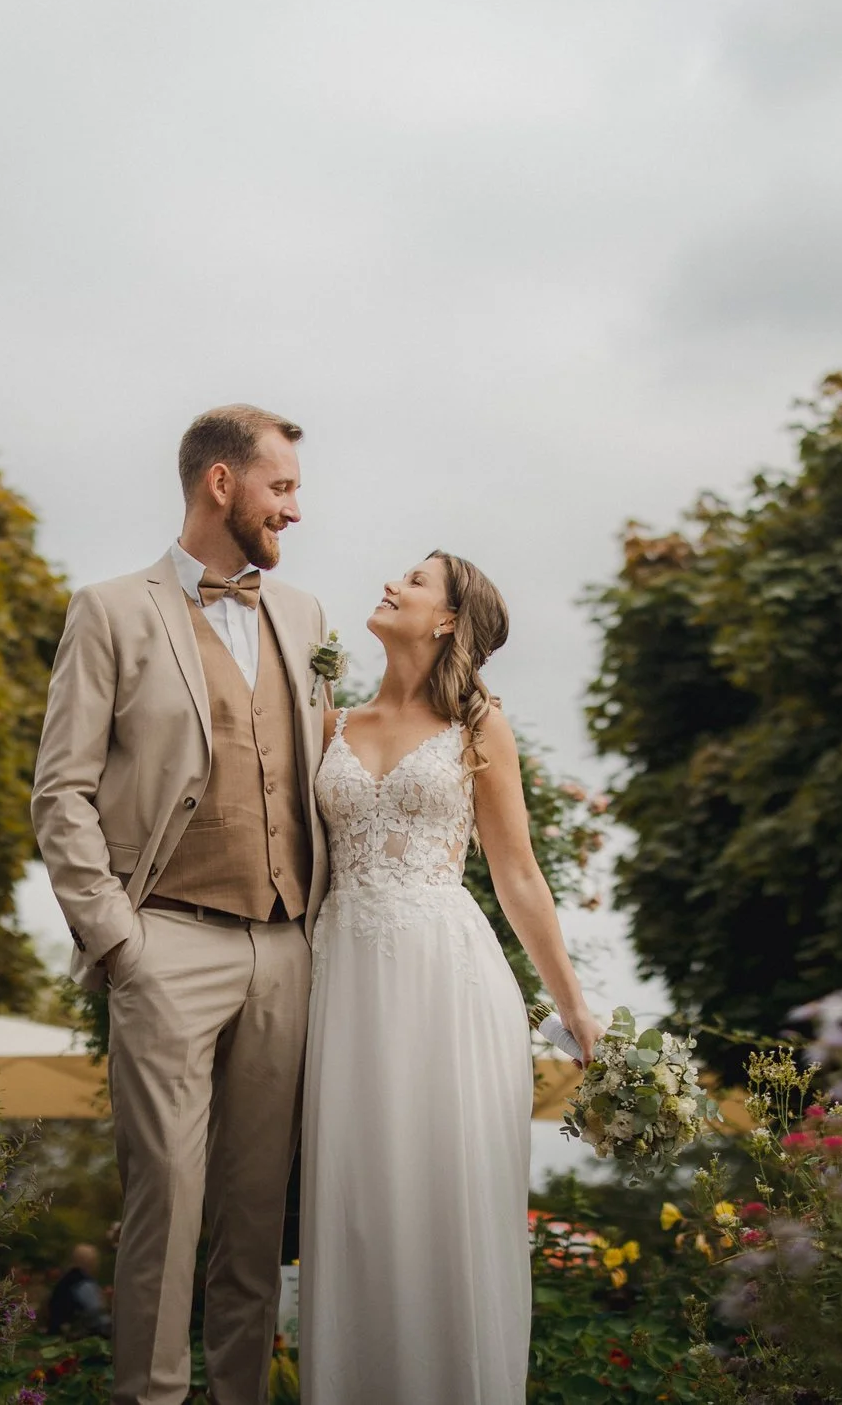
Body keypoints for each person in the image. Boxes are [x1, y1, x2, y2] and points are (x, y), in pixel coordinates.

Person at [32, 404, 332, 1405]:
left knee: (256, 1216)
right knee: (167, 1193)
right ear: (221, 482)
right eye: (279, 486)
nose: (295, 506)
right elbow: (60, 789)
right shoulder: (111, 608)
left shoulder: (305, 617)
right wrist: (118, 939)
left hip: (287, 944)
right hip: (166, 938)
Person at [297, 551, 604, 1405]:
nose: (391, 583)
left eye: (416, 580)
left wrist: (573, 1006)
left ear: (446, 620)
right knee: (357, 1204)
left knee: (445, 1199)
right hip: (345, 976)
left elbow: (518, 875)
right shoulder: (328, 721)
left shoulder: (480, 725)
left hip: (448, 979)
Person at [45, 1243, 113, 1340]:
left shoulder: (65, 1282)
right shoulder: (85, 1284)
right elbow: (98, 1318)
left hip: (57, 1338)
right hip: (79, 1341)